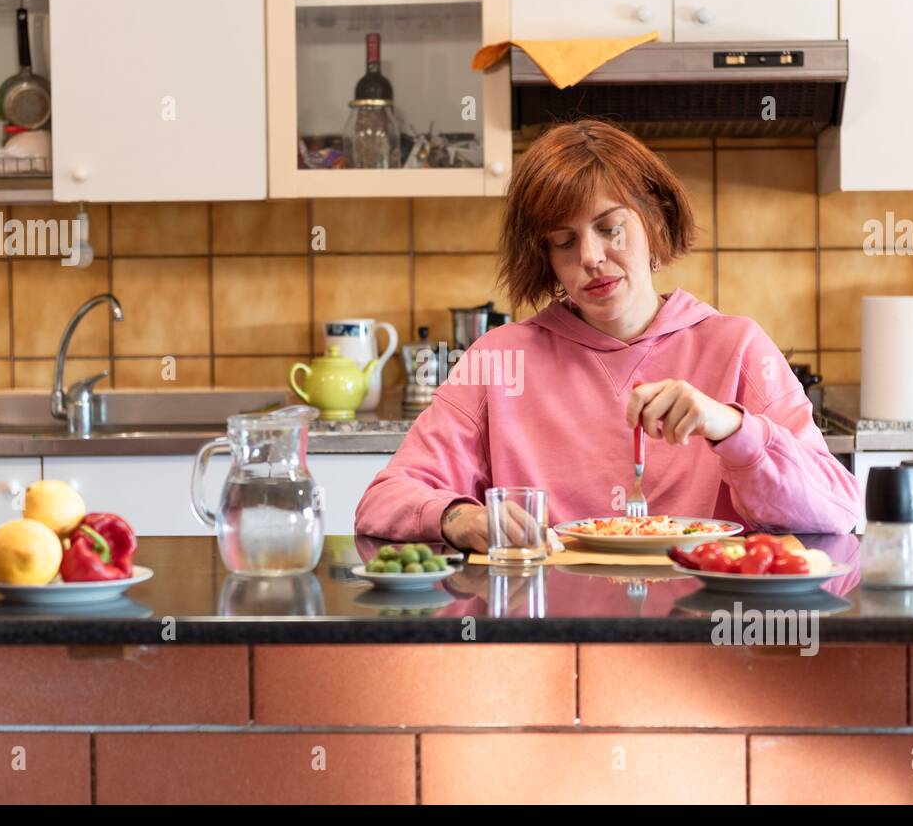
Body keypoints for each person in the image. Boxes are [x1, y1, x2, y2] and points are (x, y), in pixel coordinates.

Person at [355, 120, 862, 552]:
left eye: (610, 228)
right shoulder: (500, 358)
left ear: (654, 223)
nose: (591, 257)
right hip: (543, 627)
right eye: (564, 241)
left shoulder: (737, 348)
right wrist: (455, 517)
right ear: (546, 260)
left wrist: (732, 428)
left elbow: (837, 507)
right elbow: (385, 498)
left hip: (705, 632)